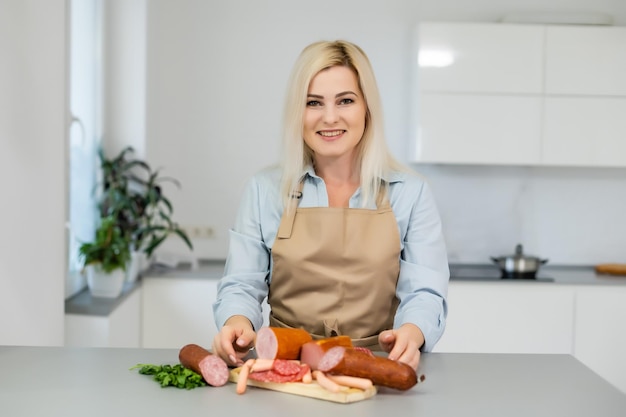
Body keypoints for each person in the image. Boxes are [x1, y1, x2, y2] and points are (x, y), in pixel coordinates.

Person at [212, 40, 449, 371]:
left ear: (367, 107)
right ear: (298, 110)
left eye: (345, 100)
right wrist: (236, 319)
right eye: (313, 102)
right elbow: (241, 283)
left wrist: (413, 331)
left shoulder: (410, 193)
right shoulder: (264, 190)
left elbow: (425, 292)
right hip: (284, 368)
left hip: (377, 369)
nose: (329, 117)